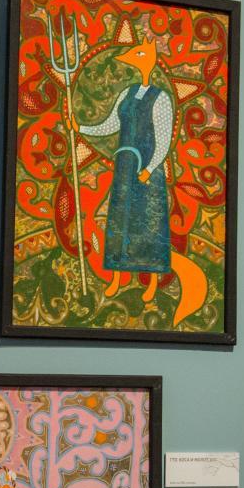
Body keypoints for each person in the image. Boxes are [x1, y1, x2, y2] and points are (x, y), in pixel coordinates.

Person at [70, 19, 174, 302]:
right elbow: (110, 124)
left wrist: (150, 168)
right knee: (119, 221)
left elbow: (164, 140)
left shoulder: (161, 99)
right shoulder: (127, 94)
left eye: (139, 54)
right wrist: (82, 128)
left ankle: (151, 281)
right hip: (125, 166)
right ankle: (117, 277)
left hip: (146, 171)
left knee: (149, 225)